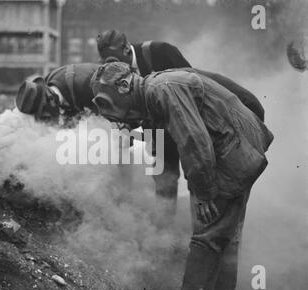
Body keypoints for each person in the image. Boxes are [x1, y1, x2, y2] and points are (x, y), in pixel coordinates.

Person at [90, 62, 274, 290]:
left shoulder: (163, 89)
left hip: (232, 155)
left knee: (207, 237)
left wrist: (204, 193)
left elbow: (193, 140)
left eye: (106, 101)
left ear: (124, 85)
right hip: (236, 150)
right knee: (224, 239)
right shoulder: (155, 88)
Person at [96, 30, 265, 208]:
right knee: (163, 179)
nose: (112, 67)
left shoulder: (159, 51)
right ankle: (164, 228)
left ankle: (202, 218)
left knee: (199, 171)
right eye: (107, 61)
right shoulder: (116, 75)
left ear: (127, 50)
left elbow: (193, 90)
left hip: (191, 122)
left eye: (114, 60)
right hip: (160, 132)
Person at [15, 63, 100, 122]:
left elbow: (103, 119)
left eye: (45, 116)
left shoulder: (84, 87)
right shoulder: (49, 81)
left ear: (50, 100)